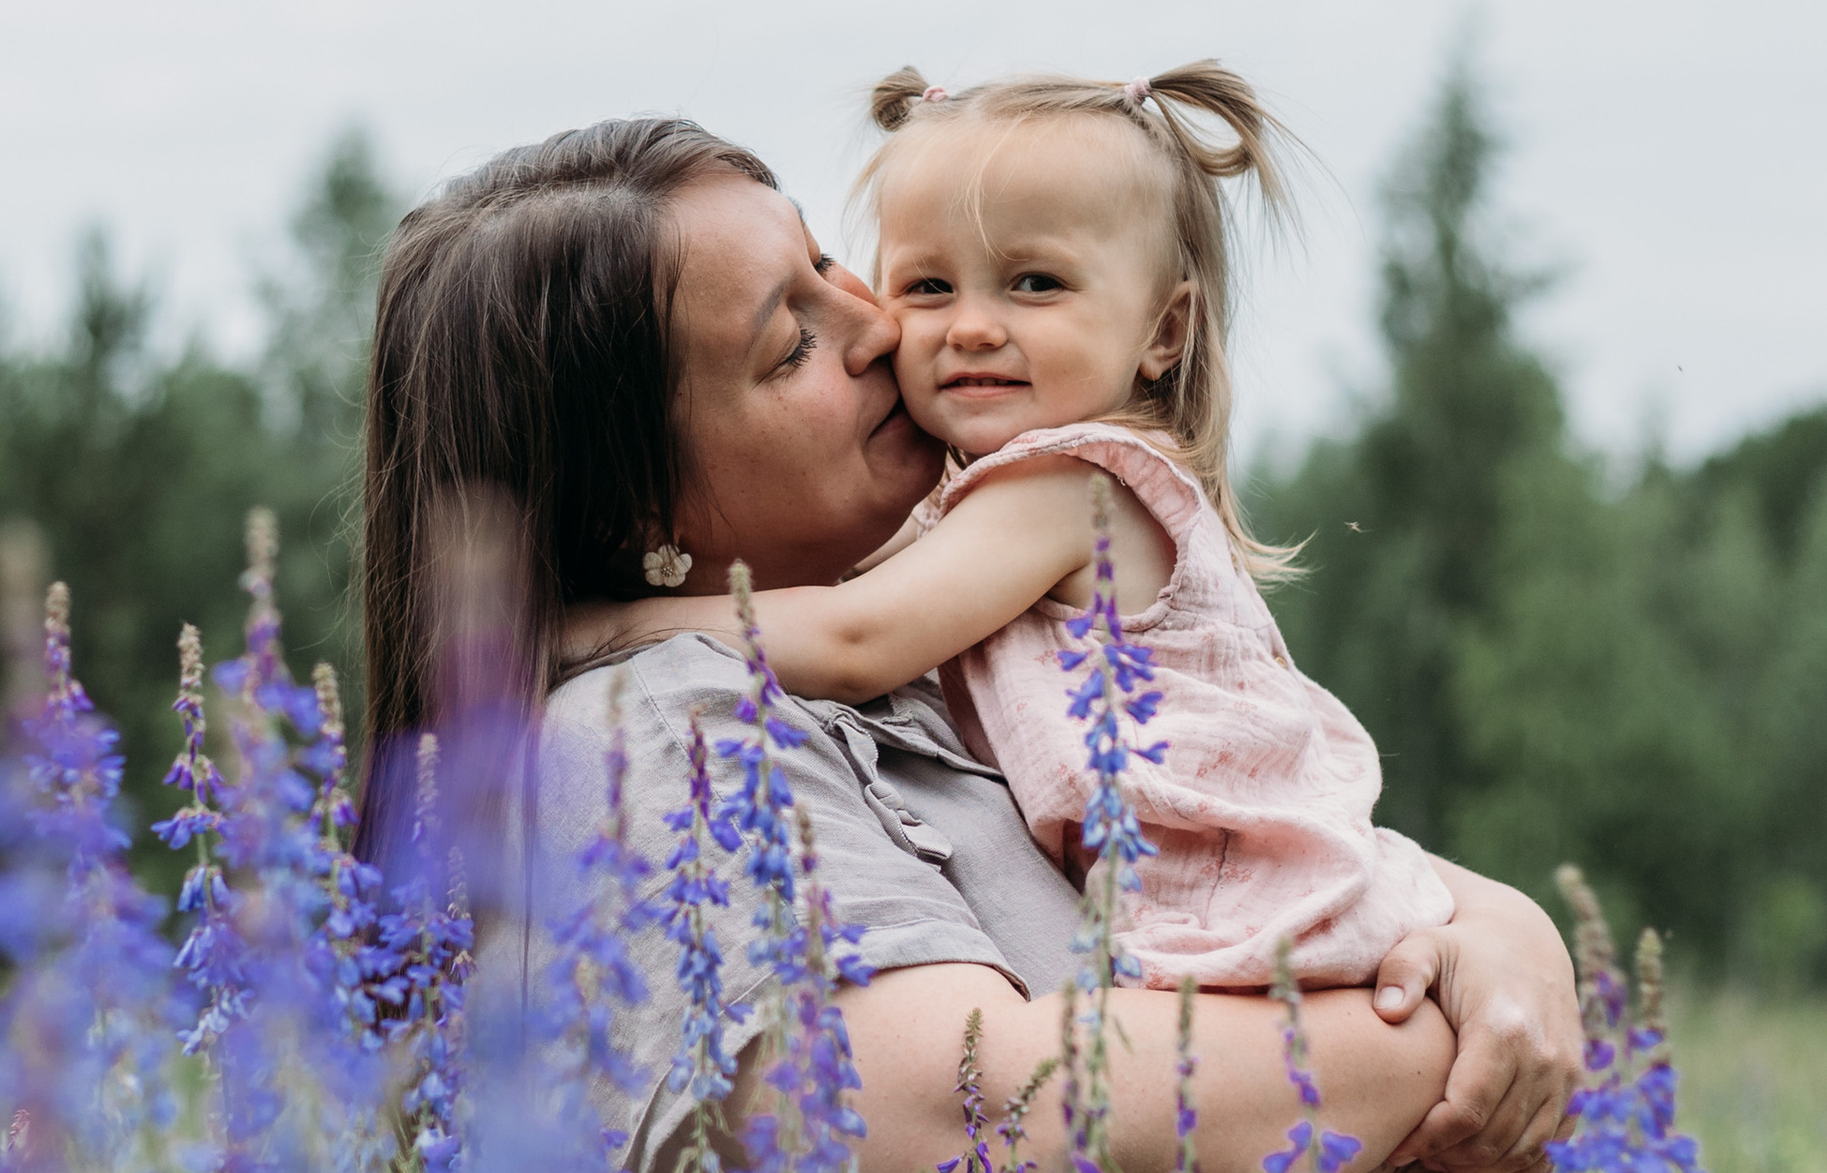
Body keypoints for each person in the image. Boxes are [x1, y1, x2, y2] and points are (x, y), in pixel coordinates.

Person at [360, 112, 1614, 1173]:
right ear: (643, 504)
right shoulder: (652, 732)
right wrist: (1435, 1036)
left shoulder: (943, 639)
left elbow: (1244, 838)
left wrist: (1503, 933)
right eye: (791, 341)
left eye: (833, 265)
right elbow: (986, 1109)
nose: (882, 328)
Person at [598, 61, 1458, 1002]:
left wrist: (607, 625)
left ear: (1164, 332)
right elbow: (852, 585)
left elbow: (855, 638)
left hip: (1244, 910)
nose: (970, 327)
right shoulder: (993, 502)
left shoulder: (1073, 484)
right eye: (928, 286)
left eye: (1036, 283)